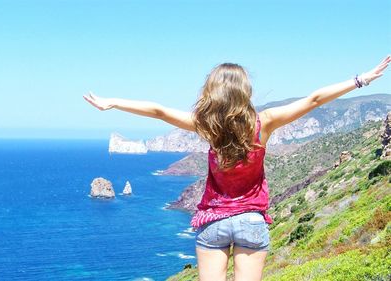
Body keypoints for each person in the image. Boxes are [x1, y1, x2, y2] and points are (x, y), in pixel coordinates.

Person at [83, 55, 390, 281]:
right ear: (245, 92)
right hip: (252, 224)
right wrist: (360, 79)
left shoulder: (206, 125)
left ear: (212, 92)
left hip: (213, 223)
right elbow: (314, 99)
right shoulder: (264, 122)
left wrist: (113, 102)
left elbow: (159, 111)